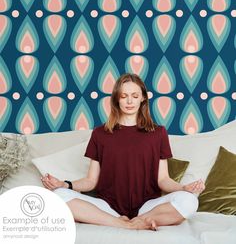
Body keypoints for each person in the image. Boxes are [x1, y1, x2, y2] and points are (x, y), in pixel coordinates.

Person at [41, 73, 205, 230]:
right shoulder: (100, 133)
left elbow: (163, 179)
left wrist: (184, 189)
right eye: (124, 96)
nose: (129, 101)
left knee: (189, 201)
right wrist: (64, 184)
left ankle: (141, 219)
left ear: (143, 98)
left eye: (134, 96)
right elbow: (91, 181)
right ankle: (123, 224)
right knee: (57, 195)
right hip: (107, 207)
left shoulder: (158, 133)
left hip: (148, 207)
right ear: (116, 99)